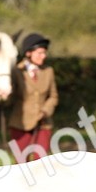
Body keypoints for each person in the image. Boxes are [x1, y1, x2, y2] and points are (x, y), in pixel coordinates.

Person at [9, 32, 58, 163]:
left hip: (43, 124)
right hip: (20, 123)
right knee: (20, 162)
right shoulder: (16, 71)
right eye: (40, 53)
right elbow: (10, 96)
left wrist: (45, 110)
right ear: (28, 53)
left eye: (44, 53)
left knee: (40, 162)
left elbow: (53, 96)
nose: (44, 56)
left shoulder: (48, 71)